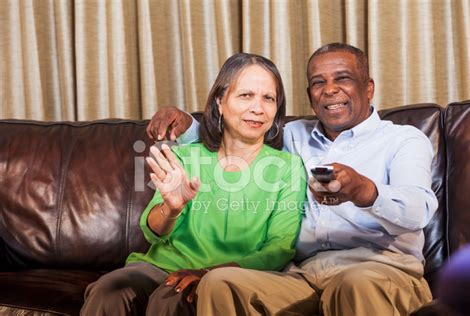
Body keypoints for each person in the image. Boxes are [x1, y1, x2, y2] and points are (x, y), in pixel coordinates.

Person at [147, 43, 439, 315]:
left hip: (380, 269)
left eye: (343, 78)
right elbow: (236, 133)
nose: (330, 90)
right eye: (318, 82)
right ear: (309, 93)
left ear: (369, 88)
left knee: (354, 282)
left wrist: (362, 190)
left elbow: (418, 210)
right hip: (303, 275)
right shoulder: (295, 134)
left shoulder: (403, 139)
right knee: (219, 281)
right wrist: (185, 123)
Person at [80, 53, 307, 315]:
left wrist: (209, 272)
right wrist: (172, 208)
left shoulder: (287, 168)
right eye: (246, 95)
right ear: (220, 102)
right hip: (161, 266)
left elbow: (278, 249)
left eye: (268, 98)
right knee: (110, 290)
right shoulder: (186, 156)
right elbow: (153, 231)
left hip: (229, 276)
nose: (258, 108)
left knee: (172, 299)